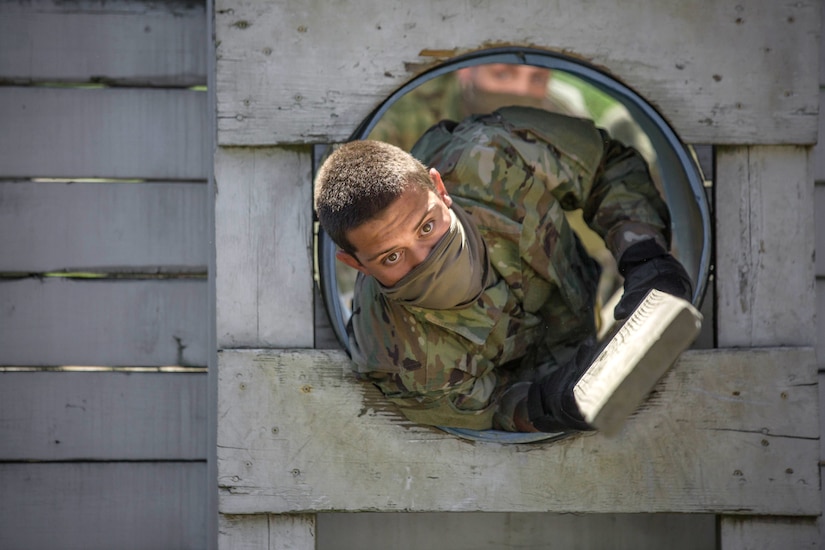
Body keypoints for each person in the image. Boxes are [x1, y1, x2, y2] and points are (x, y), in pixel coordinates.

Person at [314, 106, 693, 434]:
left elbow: (603, 166)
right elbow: (492, 411)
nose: (426, 259)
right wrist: (555, 403)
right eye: (392, 257)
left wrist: (644, 256)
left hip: (582, 301)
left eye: (427, 227)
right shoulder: (395, 358)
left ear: (440, 188)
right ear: (356, 265)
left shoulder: (493, 156)